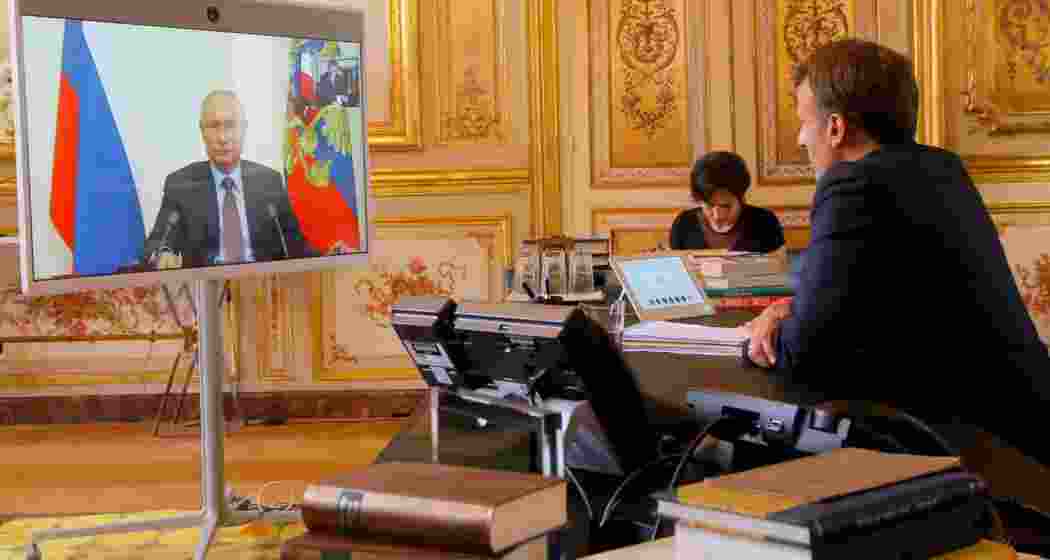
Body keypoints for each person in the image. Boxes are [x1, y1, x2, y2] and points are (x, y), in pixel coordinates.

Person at [742, 39, 1050, 467]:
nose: (799, 138)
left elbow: (804, 356)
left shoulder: (852, 187)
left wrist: (768, 330)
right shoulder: (940, 169)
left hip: (979, 463)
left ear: (835, 128)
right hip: (1024, 430)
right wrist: (789, 311)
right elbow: (885, 310)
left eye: (803, 122)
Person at [145, 90, 313, 267]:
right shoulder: (181, 185)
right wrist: (163, 254)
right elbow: (157, 243)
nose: (223, 138)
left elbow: (296, 247)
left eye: (231, 125)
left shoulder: (269, 182)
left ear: (244, 129)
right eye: (214, 126)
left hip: (263, 286)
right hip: (206, 288)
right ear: (202, 131)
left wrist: (332, 257)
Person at [669, 151, 785, 253]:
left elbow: (780, 271)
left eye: (726, 206)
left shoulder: (765, 222)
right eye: (709, 206)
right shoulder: (683, 224)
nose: (718, 216)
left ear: (741, 197)